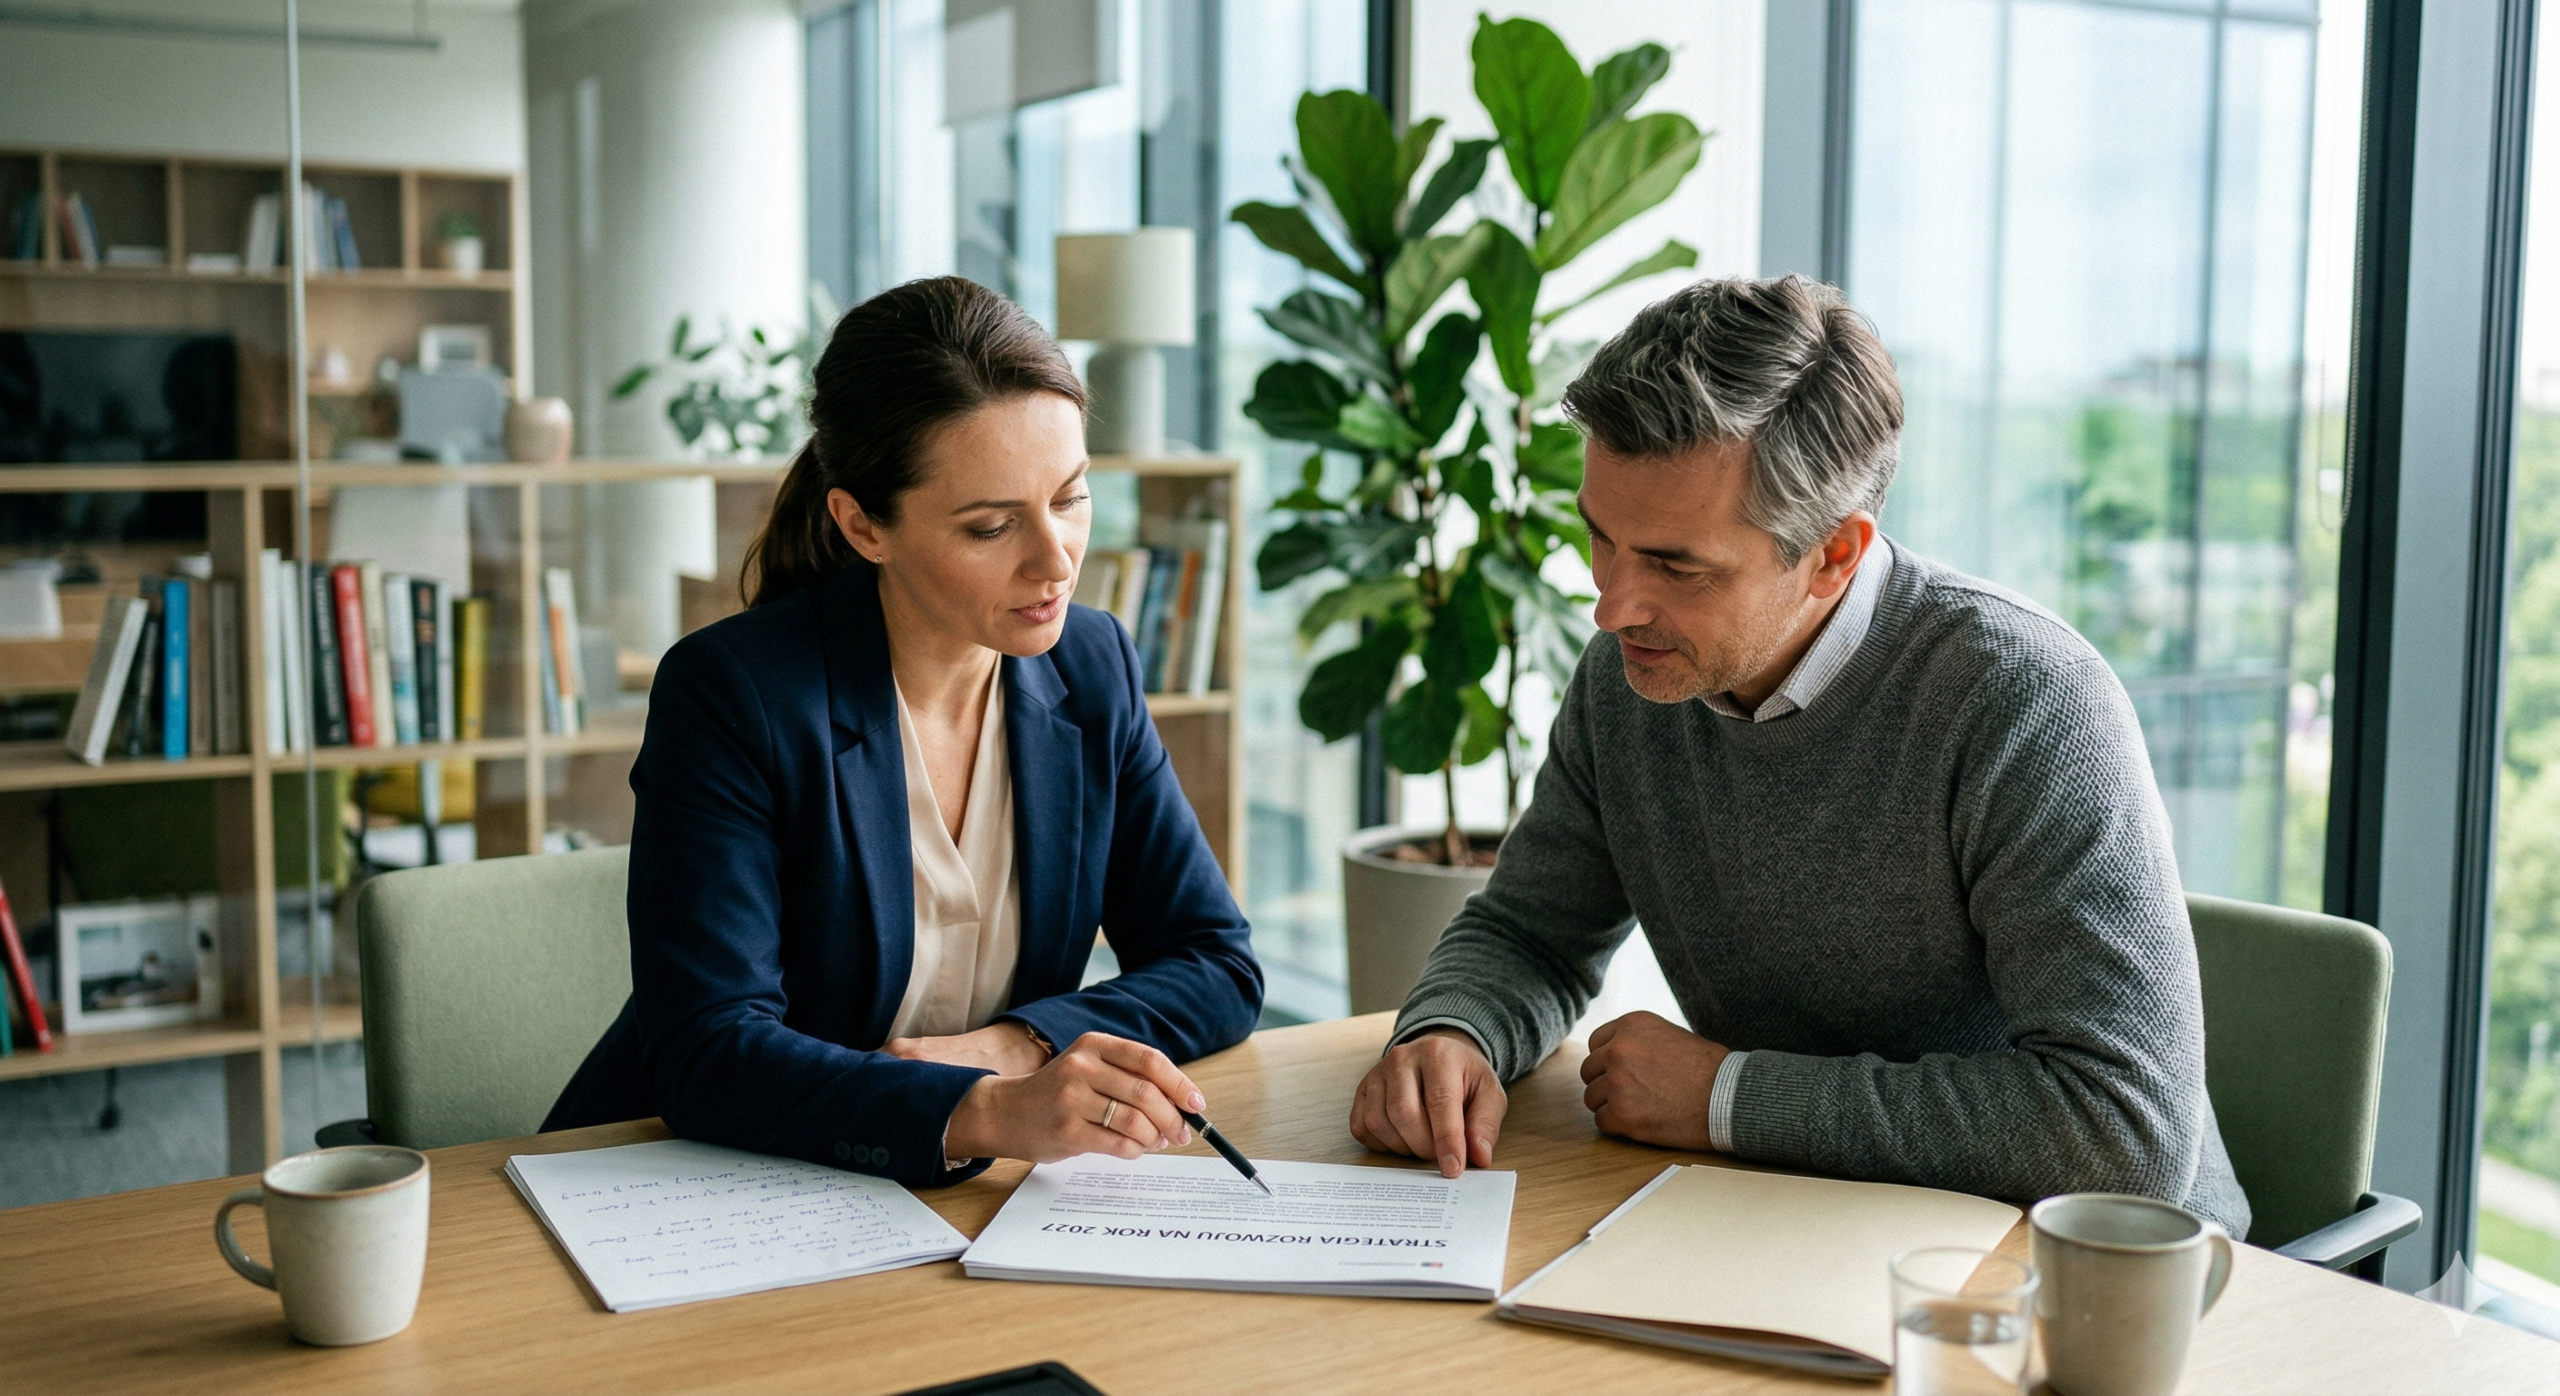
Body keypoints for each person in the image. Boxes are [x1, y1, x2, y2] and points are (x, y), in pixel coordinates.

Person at [1347, 274, 2249, 1236]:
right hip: (1796, 1227)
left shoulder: (2025, 702)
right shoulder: (1638, 672)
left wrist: (1730, 1097)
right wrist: (1453, 1029)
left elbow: (2121, 1133)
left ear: (1833, 554)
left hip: (2087, 1284)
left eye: (1675, 565)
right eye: (1600, 538)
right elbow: (1530, 932)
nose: (1611, 606)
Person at [547, 277, 1263, 1186]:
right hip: (694, 1185)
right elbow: (706, 1049)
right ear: (862, 525)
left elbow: (1215, 963)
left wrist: (1017, 1045)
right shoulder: (733, 694)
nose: (1057, 560)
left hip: (948, 1210)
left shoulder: (1092, 666)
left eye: (1071, 498)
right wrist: (983, 1113)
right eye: (992, 526)